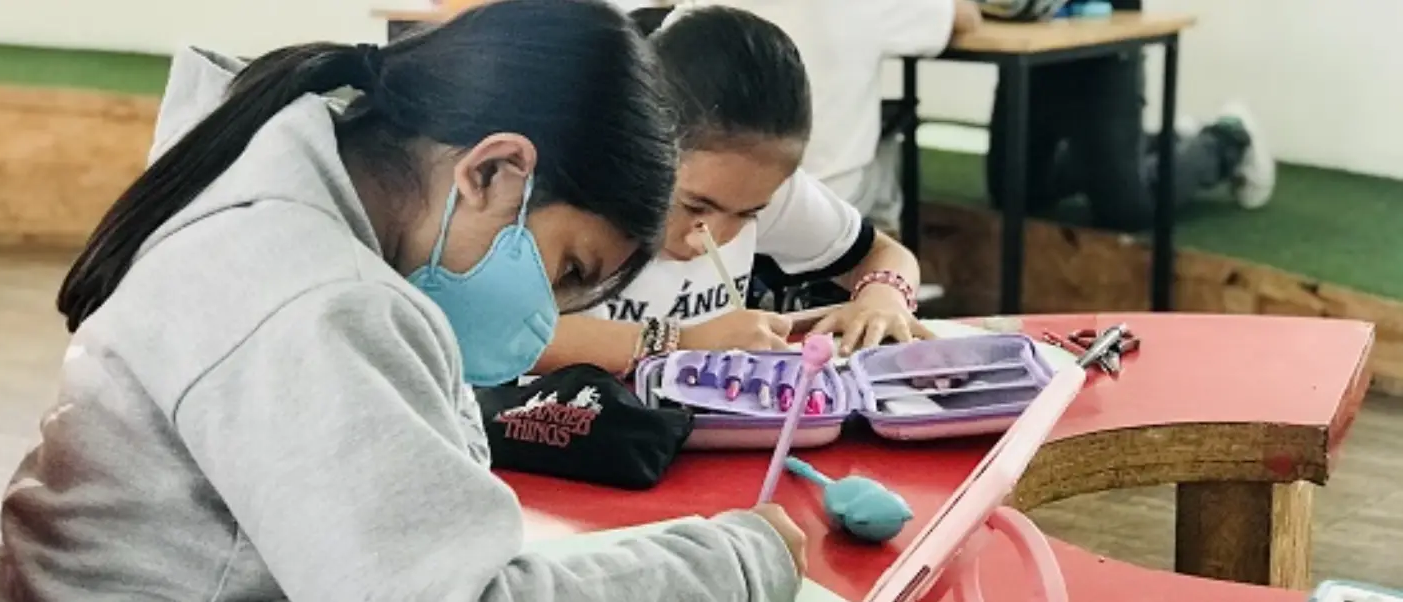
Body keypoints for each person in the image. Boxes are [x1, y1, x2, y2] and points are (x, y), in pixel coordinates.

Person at [0, 2, 805, 601]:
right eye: (564, 268)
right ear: (492, 171)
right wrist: (734, 563)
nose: (547, 317)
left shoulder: (274, 197)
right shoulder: (312, 299)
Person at [534, 5, 934, 379]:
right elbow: (508, 335)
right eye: (695, 205)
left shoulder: (754, 185)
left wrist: (882, 299)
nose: (711, 237)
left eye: (748, 214)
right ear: (639, 146)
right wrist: (683, 343)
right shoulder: (574, 193)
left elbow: (881, 253)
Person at [672, 0, 983, 232]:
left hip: (704, 199)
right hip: (829, 198)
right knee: (888, 145)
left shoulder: (693, 13)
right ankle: (880, 277)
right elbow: (966, 17)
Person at [987, 0, 1276, 231]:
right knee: (1015, 192)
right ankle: (1165, 141)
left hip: (1103, 45)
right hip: (1024, 37)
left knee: (1126, 210)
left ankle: (1228, 139)